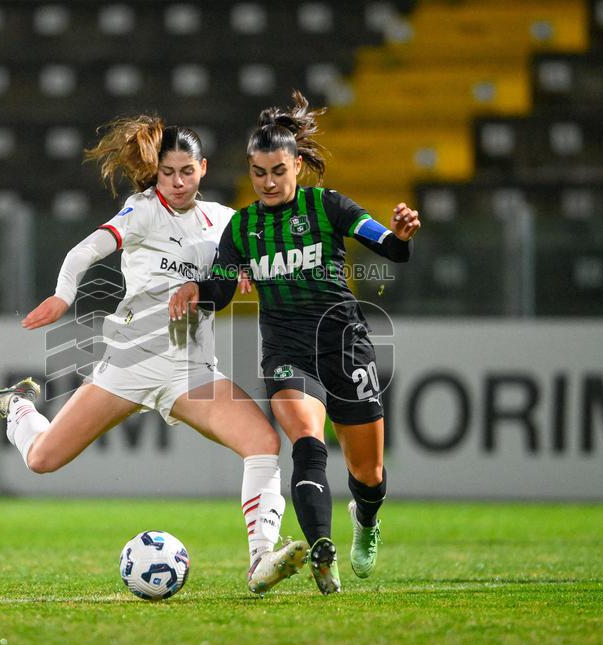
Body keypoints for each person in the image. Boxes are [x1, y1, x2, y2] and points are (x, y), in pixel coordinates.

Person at [0, 116, 308, 595]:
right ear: (156, 173)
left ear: (203, 169)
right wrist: (63, 295)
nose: (177, 183)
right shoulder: (141, 211)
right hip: (129, 364)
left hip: (190, 370)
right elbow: (85, 250)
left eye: (186, 172)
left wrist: (241, 277)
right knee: (43, 459)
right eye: (167, 172)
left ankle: (261, 558)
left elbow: (246, 271)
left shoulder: (223, 221)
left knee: (262, 442)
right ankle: (20, 406)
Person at [169, 91, 421, 594]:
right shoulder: (241, 228)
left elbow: (390, 250)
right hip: (285, 348)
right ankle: (322, 549)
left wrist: (401, 233)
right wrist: (201, 286)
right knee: (307, 447)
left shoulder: (327, 206)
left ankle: (366, 520)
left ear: (298, 166)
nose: (266, 182)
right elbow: (220, 293)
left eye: (277, 171)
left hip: (344, 343)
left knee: (367, 472)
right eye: (258, 172)